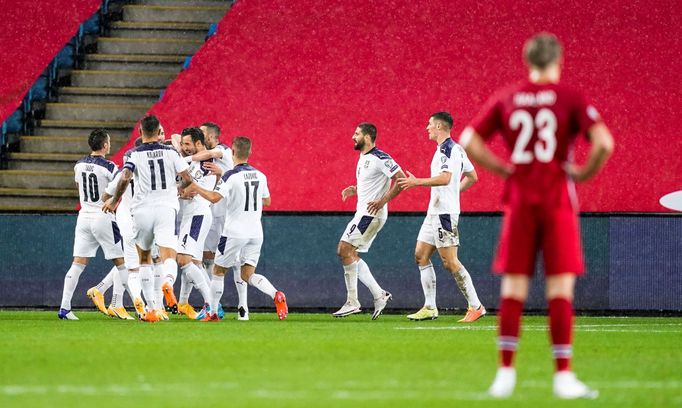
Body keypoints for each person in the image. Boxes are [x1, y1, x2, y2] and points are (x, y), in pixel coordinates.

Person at [459, 33, 614, 399]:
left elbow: (469, 140)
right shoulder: (570, 97)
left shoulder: (508, 96)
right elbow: (605, 142)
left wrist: (504, 168)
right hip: (557, 198)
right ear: (558, 60)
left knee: (514, 289)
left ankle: (505, 376)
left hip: (521, 198)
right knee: (559, 289)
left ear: (527, 60)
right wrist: (583, 172)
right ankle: (563, 377)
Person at [103, 115, 193, 323]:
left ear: (141, 132)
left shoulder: (133, 154)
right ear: (158, 131)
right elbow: (188, 178)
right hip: (166, 208)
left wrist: (116, 199)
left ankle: (151, 308)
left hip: (142, 211)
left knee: (143, 259)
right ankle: (168, 283)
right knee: (167, 255)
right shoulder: (170, 152)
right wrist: (175, 188)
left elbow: (125, 177)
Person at [188, 136, 288, 321]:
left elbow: (214, 198)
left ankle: (212, 313)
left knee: (218, 271)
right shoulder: (261, 175)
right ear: (250, 152)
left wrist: (195, 185)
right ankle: (276, 294)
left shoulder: (230, 176)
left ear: (233, 152)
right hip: (256, 232)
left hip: (234, 232)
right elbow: (267, 200)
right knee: (247, 274)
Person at [398, 112, 485, 322]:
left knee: (450, 262)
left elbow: (446, 178)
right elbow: (472, 177)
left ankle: (476, 306)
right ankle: (430, 307)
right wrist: (455, 193)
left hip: (444, 213)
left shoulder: (447, 150)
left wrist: (417, 182)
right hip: (435, 212)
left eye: (429, 124)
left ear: (439, 126)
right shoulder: (455, 149)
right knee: (420, 255)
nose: (427, 128)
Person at [332, 123, 405, 320]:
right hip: (364, 213)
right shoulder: (363, 157)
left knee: (343, 249)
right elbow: (373, 183)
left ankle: (353, 302)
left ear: (368, 137)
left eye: (356, 134)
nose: (352, 137)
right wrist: (356, 189)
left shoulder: (380, 157)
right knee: (349, 253)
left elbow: (401, 179)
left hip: (370, 214)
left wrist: (383, 201)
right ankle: (379, 295)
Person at [58, 129, 127, 320]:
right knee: (124, 263)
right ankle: (134, 305)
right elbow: (118, 187)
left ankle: (64, 308)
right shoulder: (110, 167)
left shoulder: (79, 165)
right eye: (109, 142)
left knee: (77, 264)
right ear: (105, 145)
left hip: (84, 216)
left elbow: (80, 187)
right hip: (102, 215)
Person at [191, 123, 249, 320]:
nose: (200, 135)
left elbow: (231, 179)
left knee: (235, 262)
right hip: (212, 212)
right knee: (206, 258)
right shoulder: (212, 154)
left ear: (212, 136)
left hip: (227, 215)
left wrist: (186, 158)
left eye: (203, 133)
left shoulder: (222, 151)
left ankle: (243, 306)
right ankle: (213, 304)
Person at [172, 127, 218, 320]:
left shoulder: (205, 164)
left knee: (184, 260)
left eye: (188, 144)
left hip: (197, 215)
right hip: (192, 215)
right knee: (195, 263)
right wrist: (181, 191)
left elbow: (189, 187)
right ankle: (210, 306)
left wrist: (182, 190)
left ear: (199, 144)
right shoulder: (196, 162)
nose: (184, 147)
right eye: (183, 144)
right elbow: (184, 189)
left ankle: (211, 306)